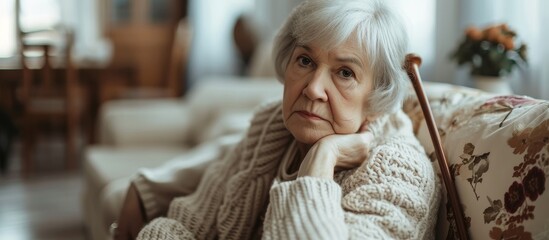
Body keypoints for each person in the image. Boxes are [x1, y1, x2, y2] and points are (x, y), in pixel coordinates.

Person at [116, 0, 440, 239]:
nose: (313, 89)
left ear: (376, 98)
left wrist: (321, 162)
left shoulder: (399, 172)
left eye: (345, 72)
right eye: (305, 60)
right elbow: (186, 222)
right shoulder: (271, 127)